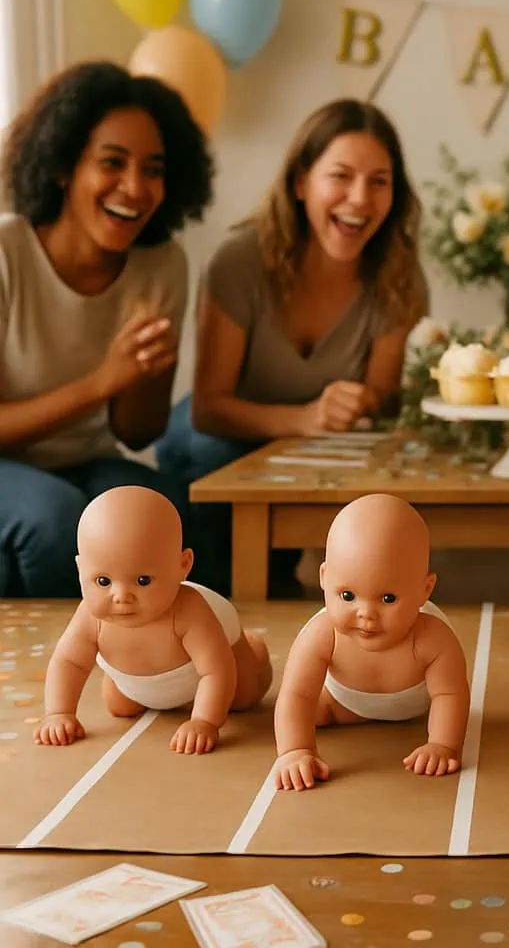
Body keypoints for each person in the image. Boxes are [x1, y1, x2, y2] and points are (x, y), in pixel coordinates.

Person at [0, 60, 214, 599]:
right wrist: (102, 380)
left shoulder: (161, 264)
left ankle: (164, 661)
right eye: (112, 163)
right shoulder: (7, 253)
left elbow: (138, 433)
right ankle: (64, 664)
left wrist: (141, 375)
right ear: (63, 166)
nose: (135, 188)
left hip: (85, 463)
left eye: (154, 169)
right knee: (54, 518)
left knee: (166, 511)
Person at [156, 98, 429, 488]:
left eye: (379, 181)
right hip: (218, 434)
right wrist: (305, 419)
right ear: (301, 183)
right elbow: (209, 409)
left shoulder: (399, 275)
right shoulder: (238, 261)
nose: (360, 198)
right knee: (211, 453)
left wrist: (360, 403)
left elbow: (381, 399)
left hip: (310, 443)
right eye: (341, 176)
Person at [34, 486, 272, 754]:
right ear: (80, 569)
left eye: (142, 581)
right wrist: (58, 713)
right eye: (103, 581)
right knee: (120, 707)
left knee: (243, 696)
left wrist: (205, 721)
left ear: (183, 565)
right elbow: (69, 662)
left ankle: (252, 648)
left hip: (213, 664)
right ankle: (130, 681)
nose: (121, 596)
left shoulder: (190, 611)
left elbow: (216, 671)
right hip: (136, 682)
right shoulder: (90, 616)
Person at [273, 494, 470, 791]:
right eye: (348, 596)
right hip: (340, 704)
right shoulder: (322, 634)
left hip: (414, 710)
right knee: (303, 712)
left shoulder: (434, 639)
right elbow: (297, 694)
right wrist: (294, 751)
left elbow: (449, 695)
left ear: (424, 589)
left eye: (388, 598)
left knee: (446, 711)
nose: (366, 614)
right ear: (324, 577)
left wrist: (443, 745)